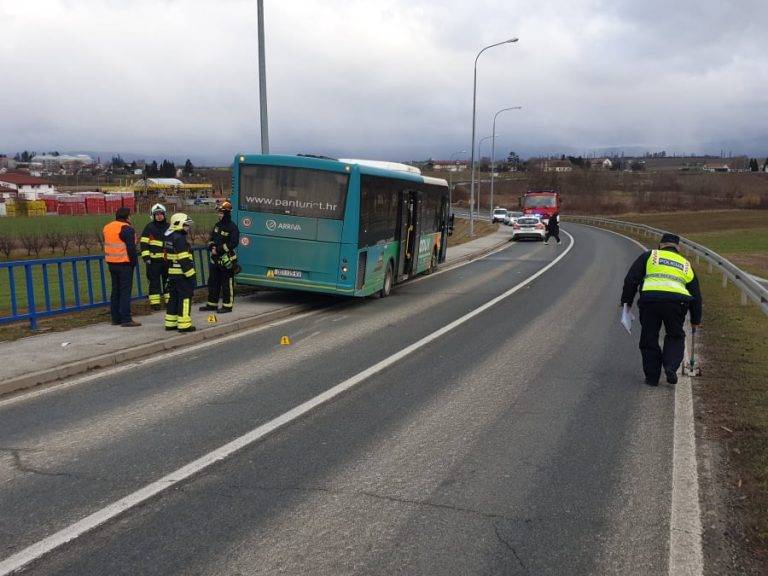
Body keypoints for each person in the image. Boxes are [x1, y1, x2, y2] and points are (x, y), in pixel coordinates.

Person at [621, 233, 702, 386]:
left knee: (649, 337)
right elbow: (696, 294)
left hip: (651, 301)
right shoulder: (685, 264)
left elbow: (631, 279)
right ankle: (670, 367)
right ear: (678, 248)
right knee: (675, 336)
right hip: (677, 304)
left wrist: (627, 301)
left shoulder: (650, 256)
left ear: (660, 245)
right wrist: (695, 319)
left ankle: (652, 377)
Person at [103, 206, 141, 327]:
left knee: (116, 291)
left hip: (111, 262)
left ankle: (116, 318)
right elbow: (130, 248)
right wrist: (134, 262)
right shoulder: (126, 228)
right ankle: (126, 319)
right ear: (127, 217)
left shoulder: (107, 227)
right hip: (124, 263)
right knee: (125, 291)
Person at [199, 200, 240, 313]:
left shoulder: (232, 227)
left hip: (227, 260)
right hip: (215, 260)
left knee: (227, 284)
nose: (219, 215)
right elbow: (212, 239)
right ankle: (212, 304)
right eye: (219, 213)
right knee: (213, 283)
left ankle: (227, 306)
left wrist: (219, 249)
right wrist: (212, 247)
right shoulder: (217, 226)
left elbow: (234, 243)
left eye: (221, 213)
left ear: (226, 214)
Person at [164, 213, 196, 332]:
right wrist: (191, 275)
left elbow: (166, 258)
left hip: (172, 274)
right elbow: (183, 259)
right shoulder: (180, 239)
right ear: (179, 224)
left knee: (173, 298)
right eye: (186, 225)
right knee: (185, 298)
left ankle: (170, 323)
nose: (187, 228)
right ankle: (184, 325)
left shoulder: (169, 237)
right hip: (183, 275)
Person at [139, 203, 169, 310]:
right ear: (153, 215)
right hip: (153, 262)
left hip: (167, 261)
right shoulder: (149, 227)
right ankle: (155, 304)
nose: (159, 216)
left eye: (161, 214)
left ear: (164, 215)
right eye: (157, 214)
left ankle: (169, 302)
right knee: (154, 283)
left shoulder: (169, 227)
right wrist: (146, 258)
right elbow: (143, 243)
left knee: (168, 282)